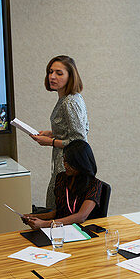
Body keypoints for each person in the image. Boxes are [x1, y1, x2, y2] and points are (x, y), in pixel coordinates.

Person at [28, 55, 88, 208]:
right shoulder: (68, 98)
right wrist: (52, 133)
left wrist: (51, 142)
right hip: (62, 161)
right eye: (50, 72)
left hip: (68, 165)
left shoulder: (70, 102)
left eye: (59, 73)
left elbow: (79, 140)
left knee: (59, 207)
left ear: (70, 76)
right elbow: (73, 130)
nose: (52, 77)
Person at [22, 140, 102, 228]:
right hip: (61, 228)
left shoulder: (94, 184)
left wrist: (44, 224)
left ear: (81, 163)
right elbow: (59, 212)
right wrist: (34, 217)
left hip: (82, 230)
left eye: (69, 163)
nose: (65, 165)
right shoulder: (61, 178)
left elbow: (81, 217)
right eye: (64, 160)